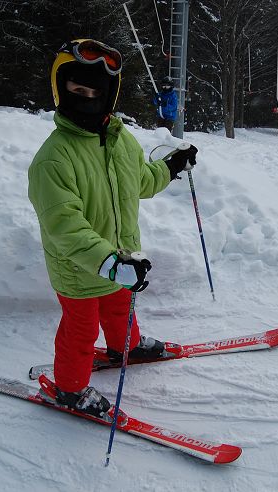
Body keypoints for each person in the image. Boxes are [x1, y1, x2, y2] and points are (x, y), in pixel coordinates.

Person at [27, 39, 198, 418]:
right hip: (78, 268)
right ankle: (70, 389)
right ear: (61, 90)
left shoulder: (122, 142)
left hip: (122, 257)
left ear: (109, 96)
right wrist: (108, 263)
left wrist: (171, 166)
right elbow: (64, 228)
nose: (88, 99)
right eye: (78, 90)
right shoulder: (53, 159)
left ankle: (127, 347)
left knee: (122, 309)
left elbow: (141, 181)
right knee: (81, 331)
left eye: (96, 93)